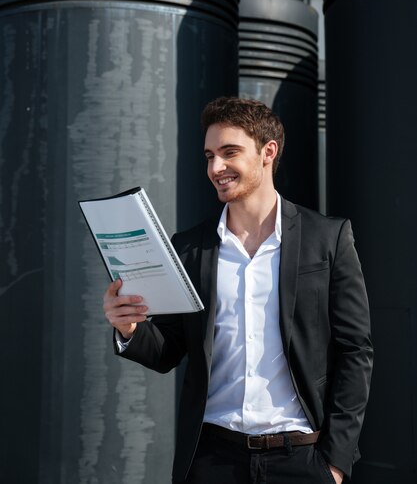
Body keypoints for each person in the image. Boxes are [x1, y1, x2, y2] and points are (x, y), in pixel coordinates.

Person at [103, 97, 373, 483]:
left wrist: (335, 462)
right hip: (213, 459)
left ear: (268, 152)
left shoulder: (327, 238)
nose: (216, 167)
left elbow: (355, 350)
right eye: (210, 155)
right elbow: (169, 349)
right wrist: (129, 329)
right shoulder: (190, 247)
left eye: (229, 152)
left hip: (302, 458)